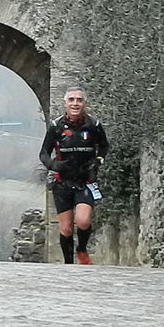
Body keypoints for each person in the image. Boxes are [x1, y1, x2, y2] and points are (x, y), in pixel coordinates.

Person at [39, 87, 109, 265]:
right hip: (62, 182)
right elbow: (43, 154)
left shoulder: (93, 125)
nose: (75, 103)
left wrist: (98, 161)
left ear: (85, 103)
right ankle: (68, 264)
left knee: (83, 221)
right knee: (67, 228)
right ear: (65, 104)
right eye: (71, 100)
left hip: (85, 181)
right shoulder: (56, 127)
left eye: (79, 100)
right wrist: (53, 165)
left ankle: (82, 250)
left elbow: (104, 147)